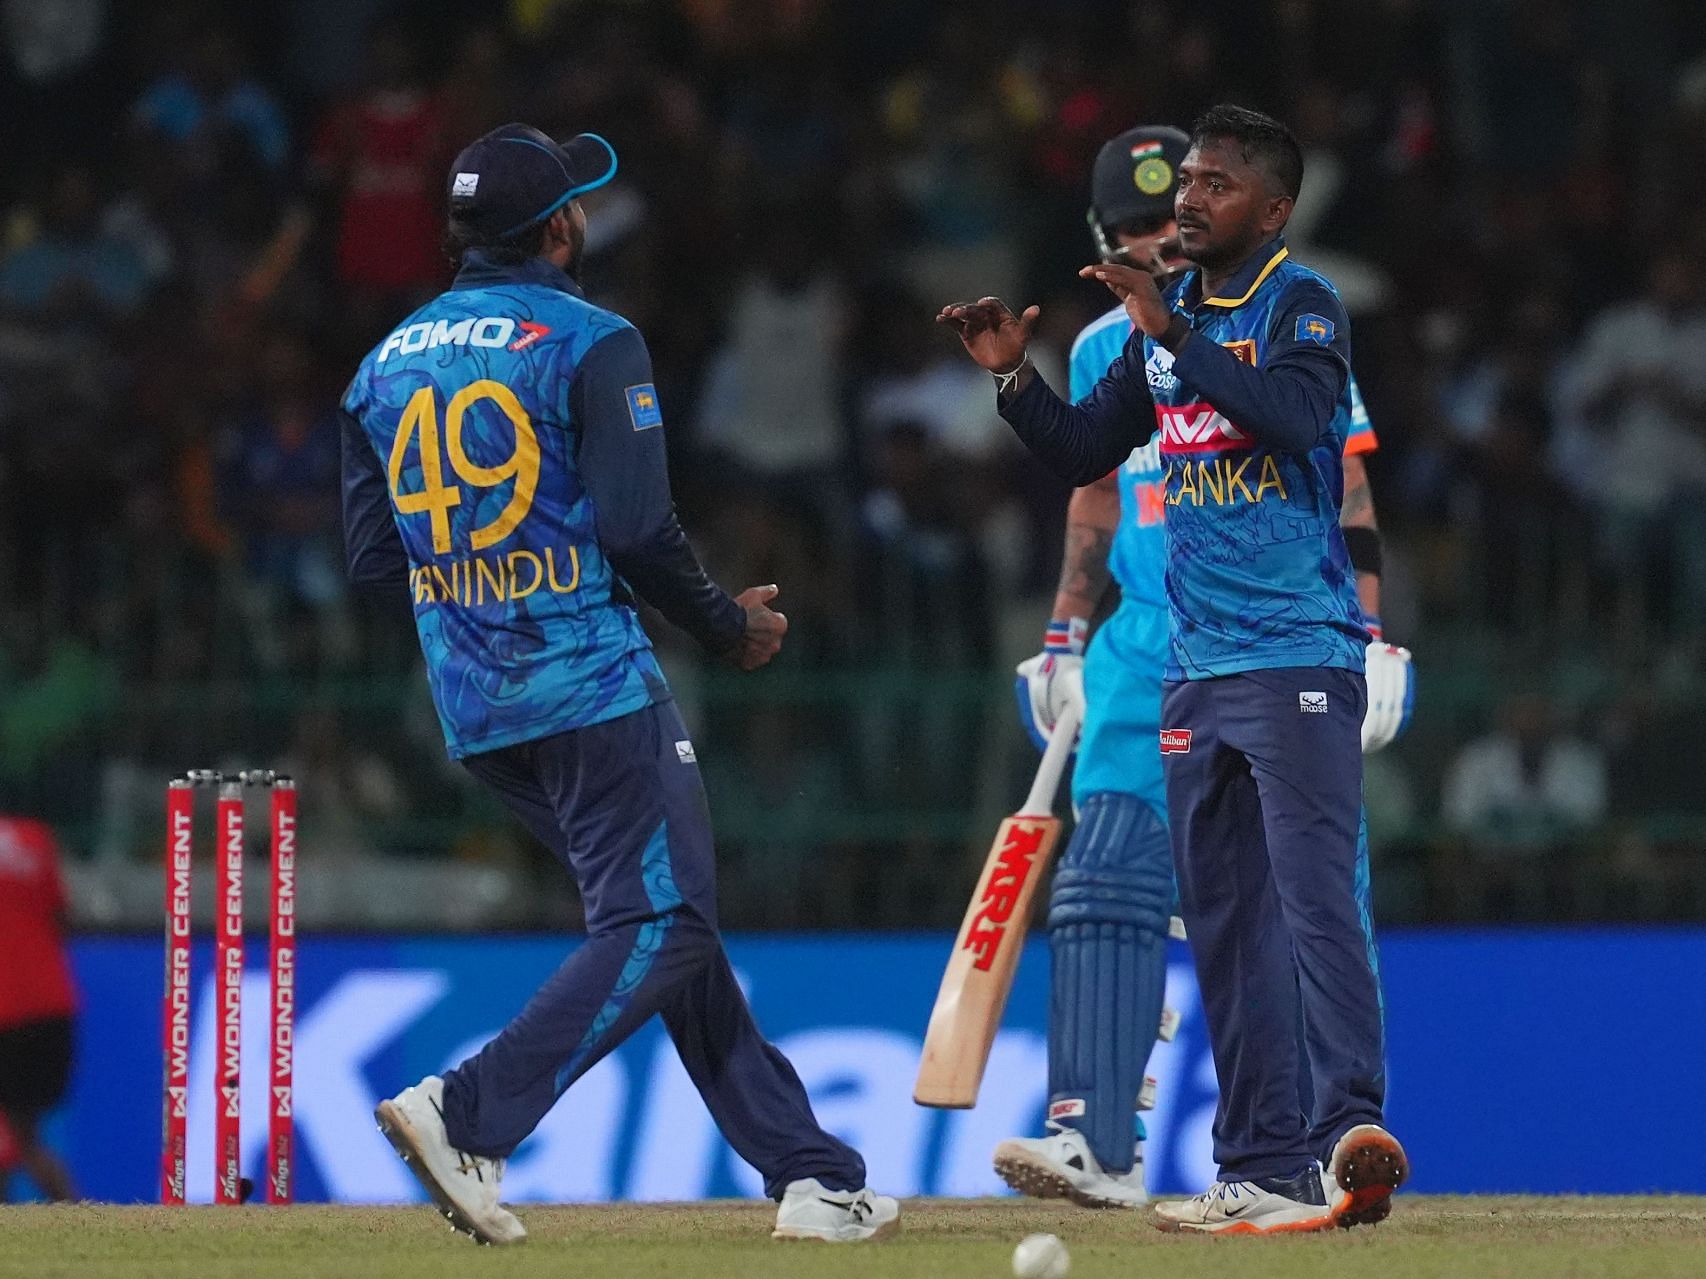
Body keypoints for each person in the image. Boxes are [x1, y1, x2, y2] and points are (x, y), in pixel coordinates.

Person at [339, 124, 898, 1246]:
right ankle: (470, 1108)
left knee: (662, 928)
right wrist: (727, 625)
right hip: (589, 684)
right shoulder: (590, 339)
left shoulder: (382, 364)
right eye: (578, 204)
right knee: (666, 916)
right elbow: (639, 529)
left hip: (478, 703)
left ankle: (814, 1172)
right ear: (555, 229)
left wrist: (484, 571)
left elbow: (368, 554)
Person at [939, 104, 1406, 1235]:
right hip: (1195, 666)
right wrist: (1013, 381)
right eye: (1185, 183)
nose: (1190, 201)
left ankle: (1350, 1133)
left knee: (1309, 901)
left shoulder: (1300, 302)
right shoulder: (1169, 319)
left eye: (1214, 186)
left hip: (1297, 651)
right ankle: (1260, 1165)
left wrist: (1174, 336)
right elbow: (1088, 453)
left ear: (1274, 209)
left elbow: (1295, 420)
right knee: (1234, 919)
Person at [0, 814, 80, 1202]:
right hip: (50, 1003)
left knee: (18, 1135)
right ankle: (79, 1218)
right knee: (22, 1133)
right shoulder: (33, 838)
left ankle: (80, 1219)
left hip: (7, 1008)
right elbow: (61, 914)